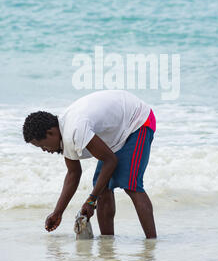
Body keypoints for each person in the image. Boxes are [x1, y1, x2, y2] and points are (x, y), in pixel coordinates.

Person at [22, 89, 157, 239]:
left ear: (51, 133)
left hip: (138, 121)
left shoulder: (75, 129)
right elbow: (73, 174)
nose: (45, 150)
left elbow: (110, 161)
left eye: (43, 146)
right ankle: (107, 243)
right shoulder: (64, 132)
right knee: (102, 187)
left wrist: (91, 200)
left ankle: (152, 243)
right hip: (118, 130)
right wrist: (58, 212)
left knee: (131, 185)